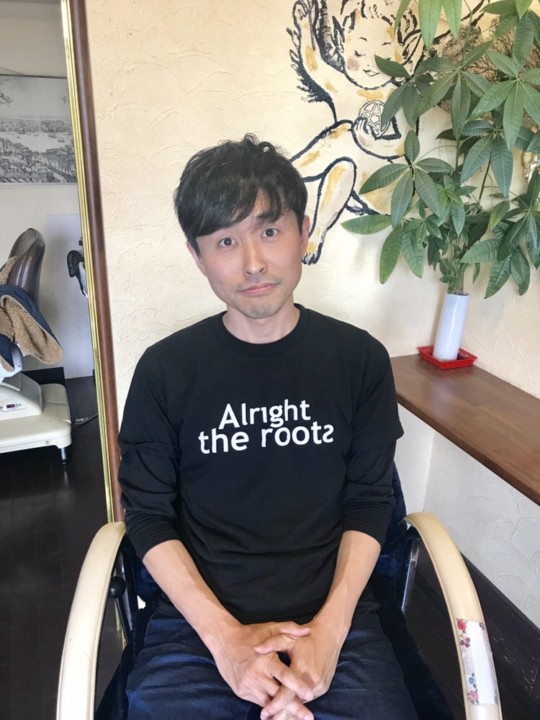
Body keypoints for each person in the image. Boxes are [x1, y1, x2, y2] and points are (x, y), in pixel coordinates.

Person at [118, 134, 418, 720]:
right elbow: (148, 515)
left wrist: (328, 632)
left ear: (304, 233)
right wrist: (227, 641)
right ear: (197, 255)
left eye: (270, 231)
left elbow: (370, 501)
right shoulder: (164, 370)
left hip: (334, 620)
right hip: (198, 626)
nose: (253, 262)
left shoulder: (358, 360)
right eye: (226, 241)